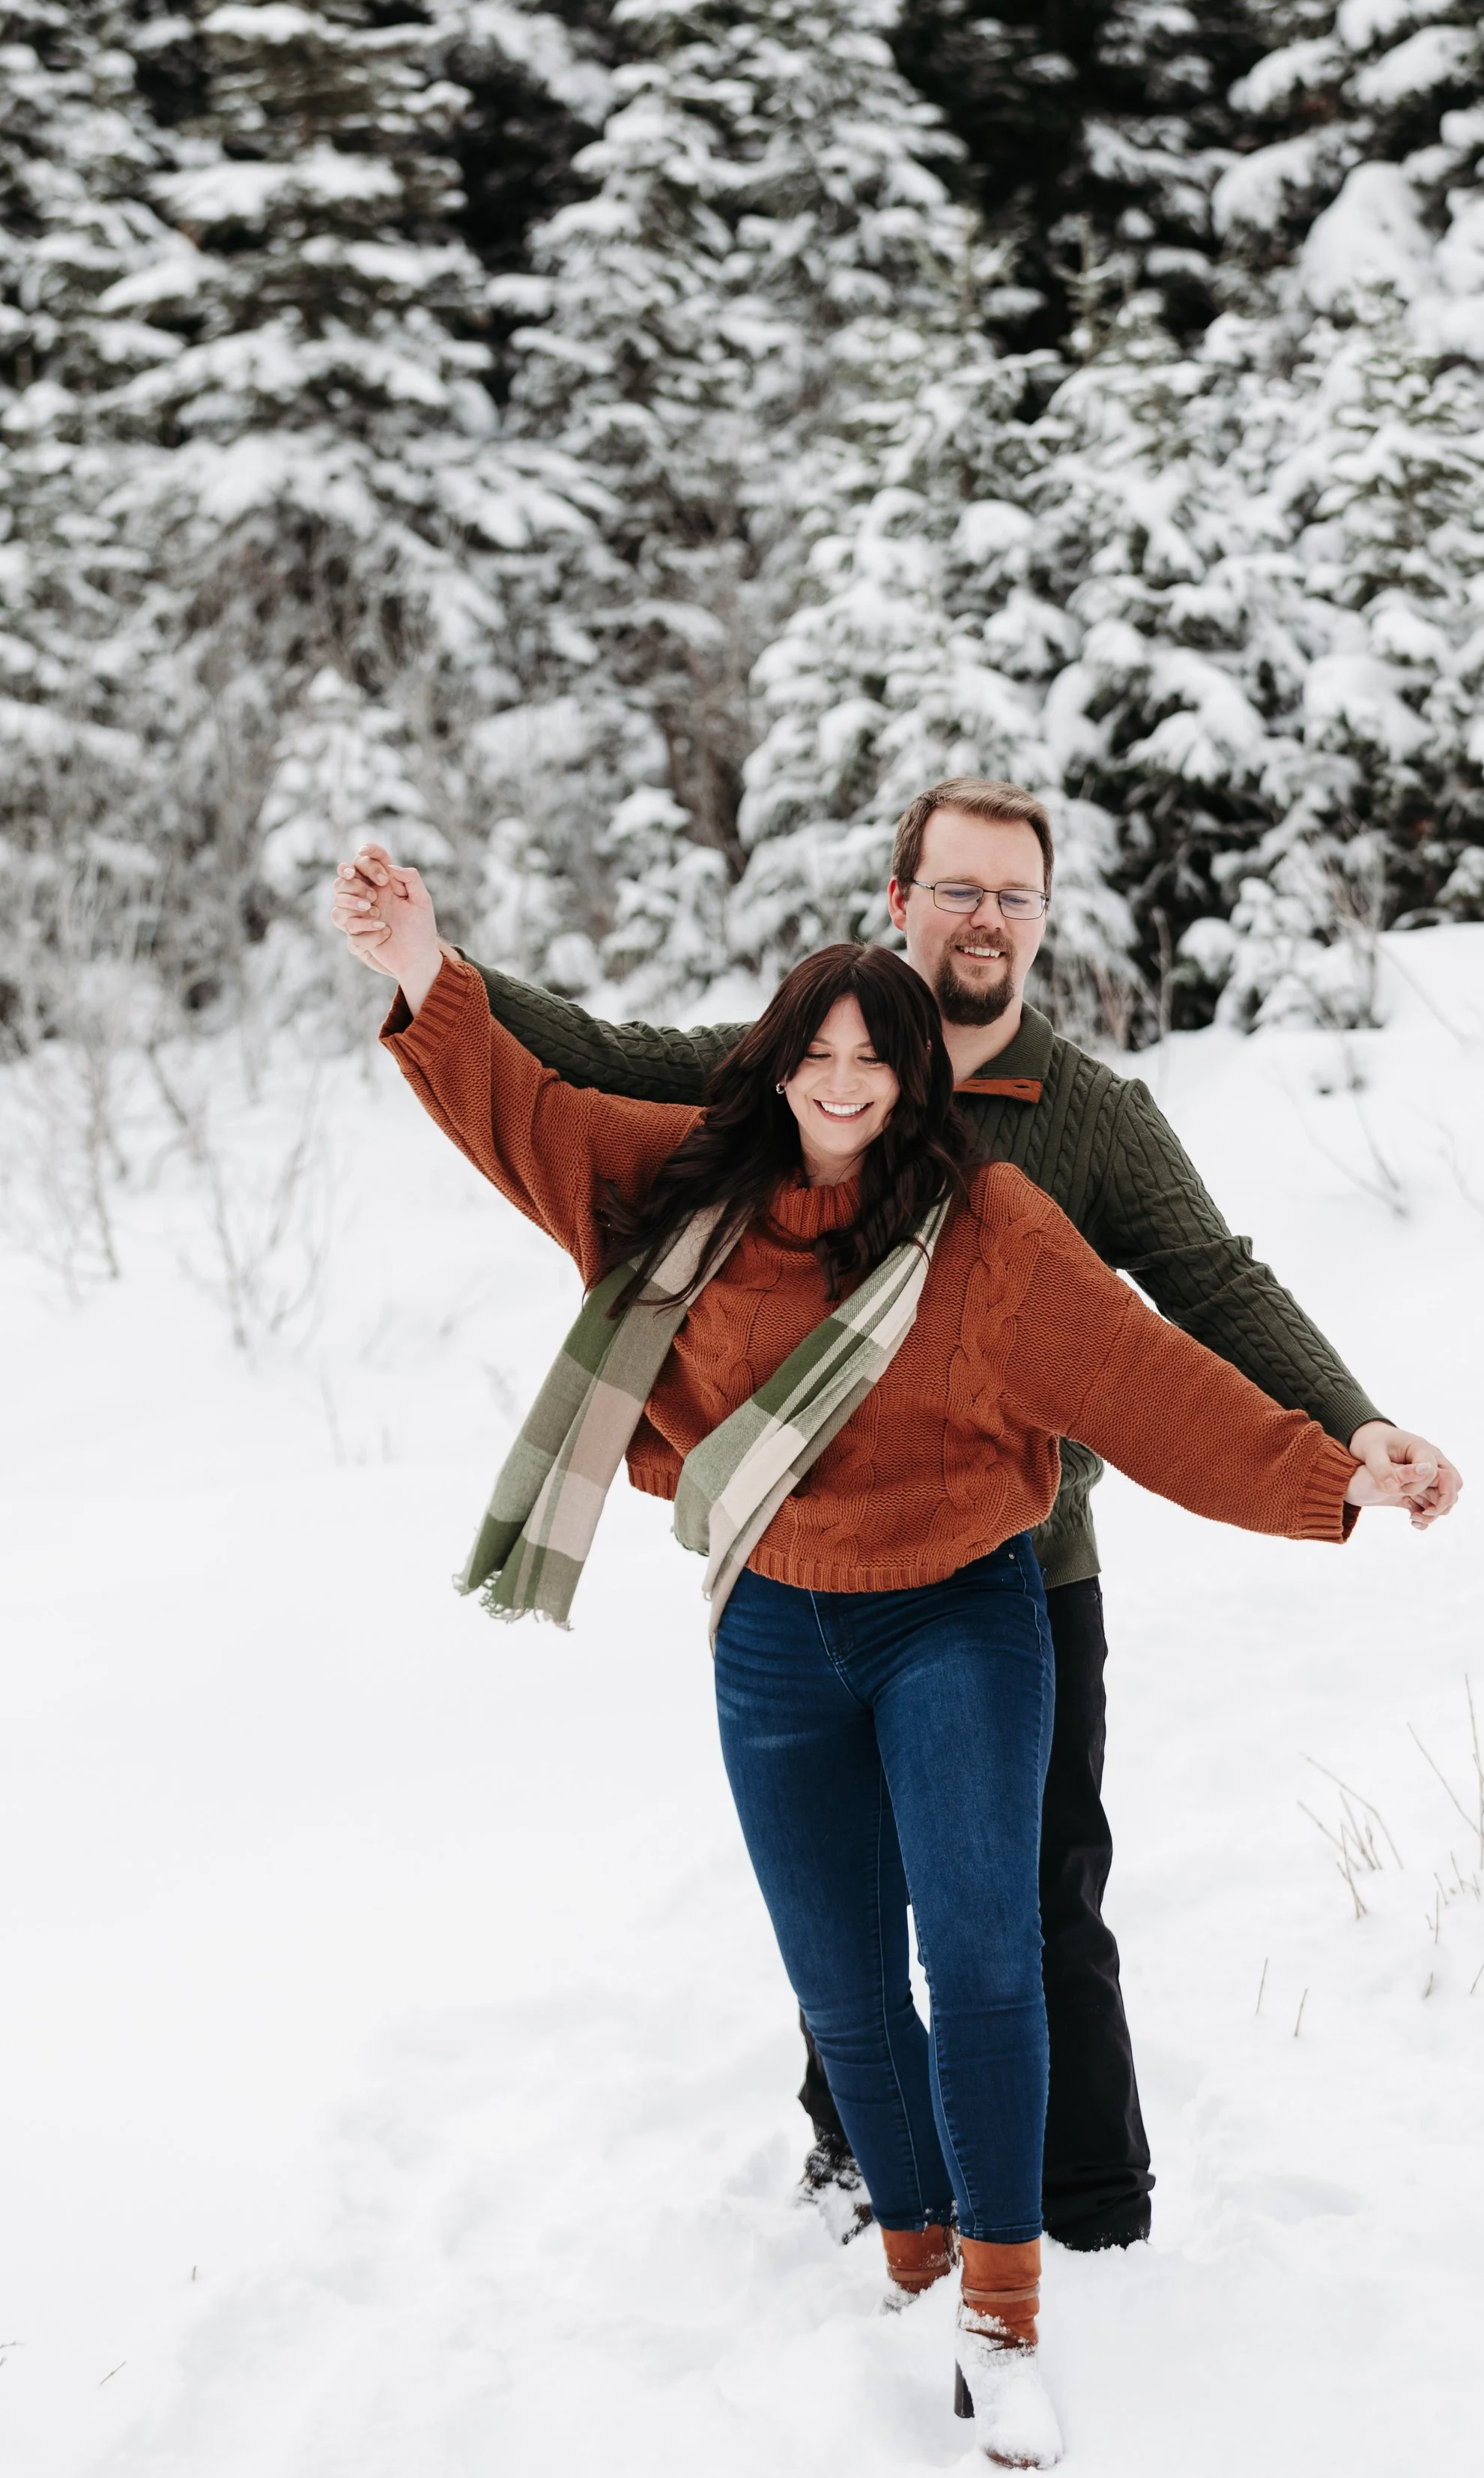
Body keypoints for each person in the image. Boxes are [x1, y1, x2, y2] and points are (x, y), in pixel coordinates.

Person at [351, 853, 1420, 2470]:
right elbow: (525, 1106)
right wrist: (427, 966)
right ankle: (916, 2270)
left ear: (919, 1080)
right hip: (771, 1627)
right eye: (817, 1053)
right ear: (776, 1063)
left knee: (986, 1956)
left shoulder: (987, 1226)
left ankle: (1003, 2319)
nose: (842, 1084)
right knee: (840, 1991)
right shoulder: (686, 1187)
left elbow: (1152, 1378)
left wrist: (1332, 1469)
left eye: (874, 1059)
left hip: (964, 1621)